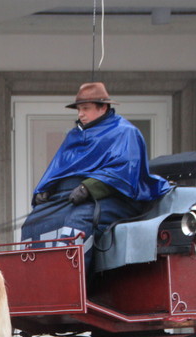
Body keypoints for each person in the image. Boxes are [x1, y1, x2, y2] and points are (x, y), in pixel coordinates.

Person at [20, 82, 172, 270]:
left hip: (113, 198)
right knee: (34, 222)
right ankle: (38, 280)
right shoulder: (74, 136)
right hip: (70, 197)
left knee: (77, 221)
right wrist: (45, 189)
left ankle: (71, 282)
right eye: (78, 109)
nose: (80, 114)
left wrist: (89, 187)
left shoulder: (125, 132)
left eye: (85, 108)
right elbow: (58, 168)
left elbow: (125, 170)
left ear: (103, 107)